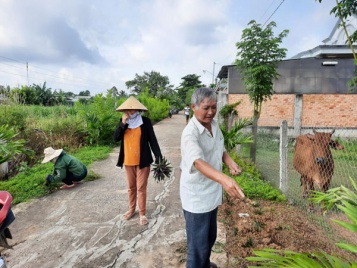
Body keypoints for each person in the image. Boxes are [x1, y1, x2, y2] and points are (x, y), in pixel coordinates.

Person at [180, 87, 245, 268]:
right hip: (197, 196)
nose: (211, 112)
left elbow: (220, 149)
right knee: (197, 247)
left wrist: (230, 163)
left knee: (210, 237)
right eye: (206, 108)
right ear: (193, 107)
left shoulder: (214, 125)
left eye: (214, 107)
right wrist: (224, 179)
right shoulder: (189, 133)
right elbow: (198, 162)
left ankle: (205, 264)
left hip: (211, 193)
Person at [113, 96, 162, 226]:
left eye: (133, 110)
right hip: (128, 160)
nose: (130, 112)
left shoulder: (145, 122)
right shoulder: (123, 122)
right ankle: (131, 210)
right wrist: (123, 123)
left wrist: (158, 156)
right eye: (128, 110)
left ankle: (142, 213)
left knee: (141, 188)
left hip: (143, 161)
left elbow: (152, 140)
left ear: (137, 109)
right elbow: (115, 138)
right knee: (131, 188)